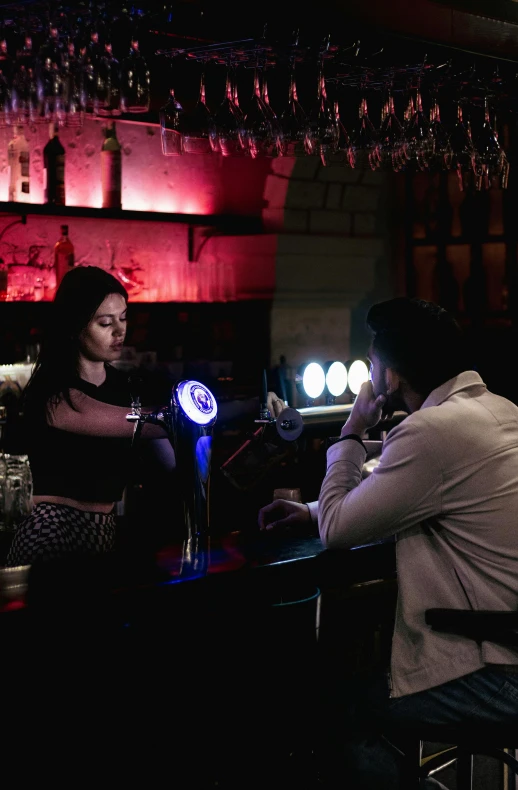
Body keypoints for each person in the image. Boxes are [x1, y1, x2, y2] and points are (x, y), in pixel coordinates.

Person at [258, 297, 518, 789]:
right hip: (511, 644)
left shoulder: (431, 432)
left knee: (337, 712)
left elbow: (339, 530)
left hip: (500, 667)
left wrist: (352, 430)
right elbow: (403, 488)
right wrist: (311, 510)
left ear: (391, 376)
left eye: (373, 363)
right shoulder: (495, 409)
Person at [5, 265, 174, 568]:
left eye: (123, 318)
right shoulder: (55, 394)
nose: (120, 331)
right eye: (105, 322)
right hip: (52, 530)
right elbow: (141, 423)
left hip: (104, 534)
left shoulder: (127, 388)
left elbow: (171, 461)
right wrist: (190, 415)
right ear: (76, 326)